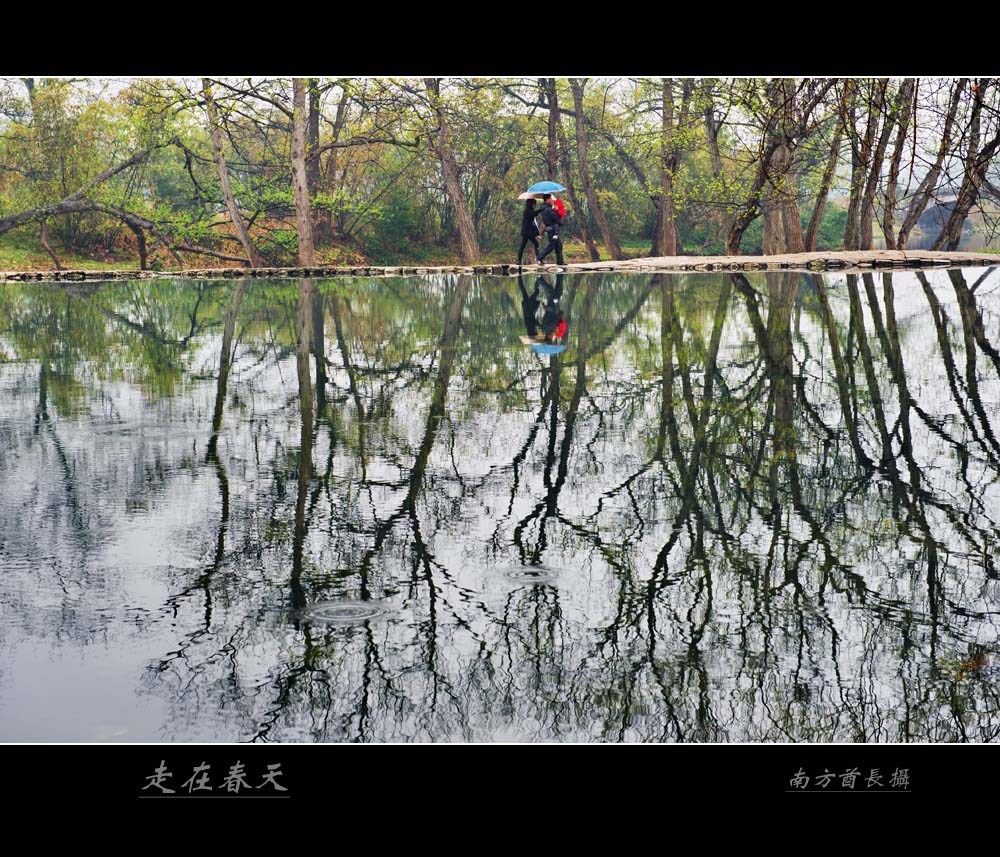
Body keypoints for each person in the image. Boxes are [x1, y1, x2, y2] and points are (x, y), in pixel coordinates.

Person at [537, 194, 564, 265]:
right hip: (552, 229)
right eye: (550, 198)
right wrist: (559, 219)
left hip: (550, 229)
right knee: (551, 246)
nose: (552, 200)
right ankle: (539, 257)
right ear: (547, 199)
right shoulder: (548, 209)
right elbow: (555, 218)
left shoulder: (544, 209)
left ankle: (560, 262)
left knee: (559, 245)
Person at [538, 273, 567, 342]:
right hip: (551, 308)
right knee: (559, 291)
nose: (553, 336)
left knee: (550, 291)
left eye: (552, 338)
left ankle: (539, 279)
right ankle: (560, 273)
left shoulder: (549, 328)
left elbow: (557, 318)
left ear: (548, 337)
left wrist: (561, 315)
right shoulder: (545, 329)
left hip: (552, 308)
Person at [517, 198, 541, 266]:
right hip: (527, 232)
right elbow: (533, 214)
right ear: (531, 204)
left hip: (529, 232)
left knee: (535, 243)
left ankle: (539, 259)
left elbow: (534, 214)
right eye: (534, 204)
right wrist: (541, 209)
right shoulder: (527, 211)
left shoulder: (530, 210)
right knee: (523, 246)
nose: (534, 205)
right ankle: (519, 260)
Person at [517, 271, 541, 337]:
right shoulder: (528, 326)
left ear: (533, 332)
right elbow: (534, 320)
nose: (536, 330)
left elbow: (533, 321)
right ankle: (519, 277)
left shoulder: (529, 325)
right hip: (528, 305)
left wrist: (540, 325)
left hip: (529, 305)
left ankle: (519, 277)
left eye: (535, 331)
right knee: (524, 290)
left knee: (535, 292)